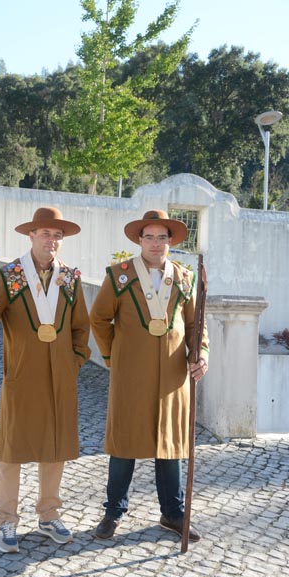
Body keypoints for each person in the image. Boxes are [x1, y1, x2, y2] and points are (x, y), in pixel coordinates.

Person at [0, 207, 91, 553]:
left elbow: (81, 327)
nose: (52, 240)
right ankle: (6, 520)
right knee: (12, 450)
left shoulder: (70, 278)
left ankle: (49, 514)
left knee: (54, 449)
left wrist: (74, 362)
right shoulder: (10, 276)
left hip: (60, 378)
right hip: (22, 376)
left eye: (57, 235)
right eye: (45, 233)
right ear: (31, 235)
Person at [90, 209, 209, 542]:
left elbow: (195, 325)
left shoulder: (184, 278)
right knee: (124, 443)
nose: (156, 244)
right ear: (139, 240)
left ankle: (173, 513)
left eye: (162, 237)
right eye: (149, 237)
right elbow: (99, 319)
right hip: (130, 375)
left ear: (170, 241)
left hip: (173, 376)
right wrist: (114, 357)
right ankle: (113, 511)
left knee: (170, 445)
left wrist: (201, 354)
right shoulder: (120, 276)